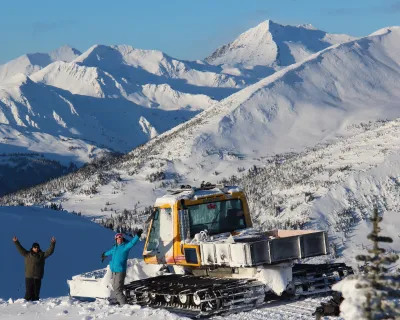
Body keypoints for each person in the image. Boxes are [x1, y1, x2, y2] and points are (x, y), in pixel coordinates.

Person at [101, 230, 143, 305]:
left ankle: (124, 305)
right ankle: (122, 301)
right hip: (114, 271)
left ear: (122, 239)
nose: (119, 239)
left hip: (120, 271)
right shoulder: (115, 248)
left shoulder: (124, 247)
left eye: (120, 238)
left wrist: (137, 236)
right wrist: (104, 255)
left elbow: (132, 243)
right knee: (115, 287)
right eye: (117, 238)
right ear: (116, 239)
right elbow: (110, 252)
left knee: (118, 290)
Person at [13, 236, 56, 301]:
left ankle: (35, 305)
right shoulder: (27, 254)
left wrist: (52, 243)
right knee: (28, 292)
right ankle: (26, 304)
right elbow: (20, 249)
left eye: (37, 247)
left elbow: (50, 251)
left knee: (36, 293)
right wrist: (16, 242)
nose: (36, 248)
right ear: (32, 248)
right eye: (35, 247)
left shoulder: (42, 255)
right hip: (29, 276)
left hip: (38, 276)